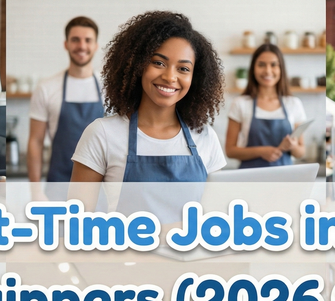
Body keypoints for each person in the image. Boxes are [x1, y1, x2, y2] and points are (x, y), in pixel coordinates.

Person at [71, 11, 226, 218]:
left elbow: (217, 215)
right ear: (136, 65)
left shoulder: (205, 136)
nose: (170, 77)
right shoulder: (102, 134)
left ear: (195, 77)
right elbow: (77, 221)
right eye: (158, 63)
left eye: (183, 68)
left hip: (192, 251)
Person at [28, 17, 104, 186]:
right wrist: (35, 191)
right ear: (66, 44)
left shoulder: (109, 88)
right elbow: (35, 141)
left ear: (96, 46)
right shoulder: (46, 88)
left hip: (100, 186)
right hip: (59, 184)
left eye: (88, 40)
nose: (82, 46)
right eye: (75, 40)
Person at [225, 43, 306, 168]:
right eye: (261, 65)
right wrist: (262, 152)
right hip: (250, 179)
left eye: (273, 65)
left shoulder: (293, 104)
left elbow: (301, 152)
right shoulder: (240, 103)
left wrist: (293, 146)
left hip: (285, 180)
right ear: (253, 68)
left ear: (281, 69)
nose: (268, 70)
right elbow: (230, 151)